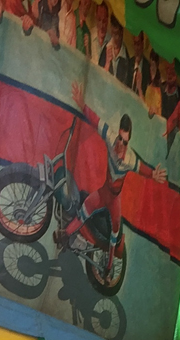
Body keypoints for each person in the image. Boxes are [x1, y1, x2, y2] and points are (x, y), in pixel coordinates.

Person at [58, 80, 167, 254]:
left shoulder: (130, 159)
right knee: (85, 209)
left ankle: (109, 266)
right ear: (117, 136)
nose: (121, 145)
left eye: (125, 142)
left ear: (128, 142)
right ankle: (64, 235)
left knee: (115, 233)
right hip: (103, 192)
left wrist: (153, 174)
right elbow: (95, 120)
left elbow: (143, 169)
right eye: (120, 139)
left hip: (115, 200)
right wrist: (81, 104)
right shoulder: (110, 137)